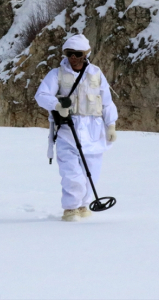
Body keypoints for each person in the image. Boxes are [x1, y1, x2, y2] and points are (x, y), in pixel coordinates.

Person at [35, 34, 118, 221]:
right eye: (69, 53)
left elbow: (106, 102)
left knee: (91, 174)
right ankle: (70, 208)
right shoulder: (56, 74)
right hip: (67, 131)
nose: (73, 58)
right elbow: (41, 95)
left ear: (86, 54)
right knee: (72, 174)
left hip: (94, 132)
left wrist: (110, 124)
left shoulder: (96, 73)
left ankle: (83, 205)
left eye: (77, 54)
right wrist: (57, 105)